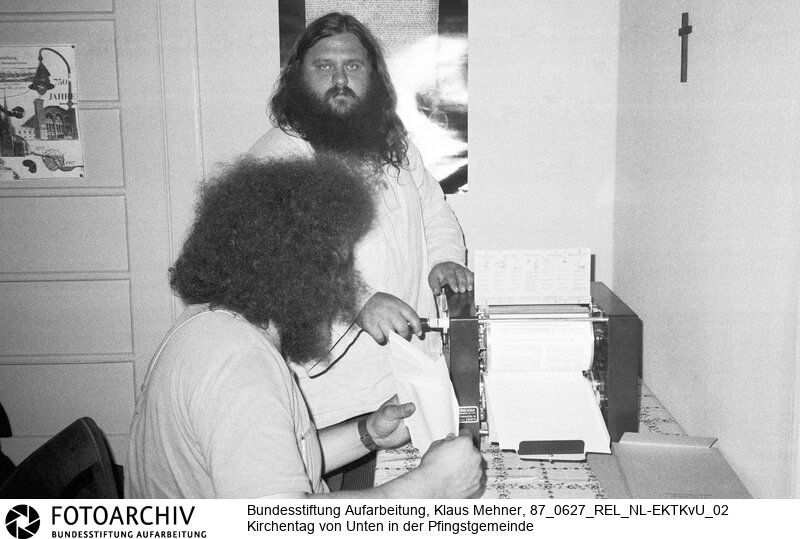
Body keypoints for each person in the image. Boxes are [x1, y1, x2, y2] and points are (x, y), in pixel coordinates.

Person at [125, 156, 484, 498]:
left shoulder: (210, 324)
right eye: (337, 271)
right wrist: (430, 486)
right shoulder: (240, 362)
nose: (344, 289)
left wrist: (369, 433)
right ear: (294, 272)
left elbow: (269, 462)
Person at [249, 12, 474, 430]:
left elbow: (433, 210)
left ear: (373, 75)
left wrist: (442, 259)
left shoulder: (394, 145)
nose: (339, 79)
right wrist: (357, 302)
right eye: (324, 66)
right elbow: (276, 265)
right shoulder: (277, 157)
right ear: (298, 76)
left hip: (404, 365)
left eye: (352, 66)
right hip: (326, 387)